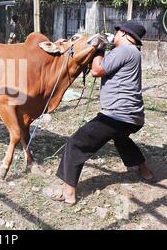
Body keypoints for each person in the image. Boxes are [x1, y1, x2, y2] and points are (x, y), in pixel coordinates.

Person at [52, 21, 154, 206]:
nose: (113, 37)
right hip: (133, 118)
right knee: (122, 139)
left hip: (115, 116)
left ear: (123, 33)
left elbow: (97, 70)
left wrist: (98, 50)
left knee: (75, 144)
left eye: (115, 33)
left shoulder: (124, 50)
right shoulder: (133, 53)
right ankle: (145, 171)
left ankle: (68, 193)